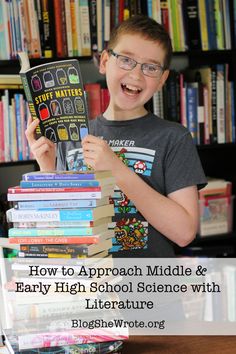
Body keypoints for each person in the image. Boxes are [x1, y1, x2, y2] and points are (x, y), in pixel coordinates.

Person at [26, 15, 207, 257]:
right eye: (126, 60)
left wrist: (117, 170)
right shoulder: (69, 137)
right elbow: (60, 233)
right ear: (104, 61)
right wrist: (47, 169)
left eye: (151, 67)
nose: (136, 75)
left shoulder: (174, 138)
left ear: (163, 79)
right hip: (85, 290)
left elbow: (184, 233)